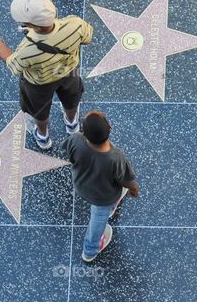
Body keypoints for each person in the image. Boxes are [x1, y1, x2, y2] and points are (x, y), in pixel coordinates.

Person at [0, 0, 93, 150]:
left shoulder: (27, 49)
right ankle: (72, 123)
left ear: (37, 27)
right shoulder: (76, 24)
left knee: (40, 111)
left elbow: (12, 64)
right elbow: (87, 38)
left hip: (39, 84)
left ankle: (43, 136)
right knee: (72, 100)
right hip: (70, 73)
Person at [59, 111, 139, 262]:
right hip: (103, 196)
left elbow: (69, 155)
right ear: (110, 127)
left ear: (84, 133)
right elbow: (124, 179)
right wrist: (134, 188)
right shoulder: (115, 157)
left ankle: (90, 250)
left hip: (82, 185)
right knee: (98, 220)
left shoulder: (75, 139)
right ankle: (90, 251)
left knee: (104, 209)